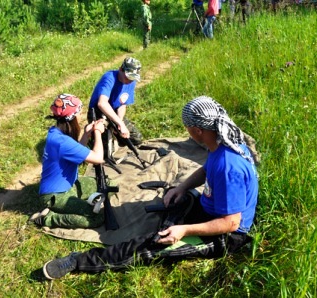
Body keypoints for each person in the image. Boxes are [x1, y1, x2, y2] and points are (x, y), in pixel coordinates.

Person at [40, 96, 258, 280]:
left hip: (225, 236)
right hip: (208, 209)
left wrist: (184, 230)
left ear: (197, 130)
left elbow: (231, 222)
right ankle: (170, 224)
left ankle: (79, 261)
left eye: (187, 128)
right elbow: (205, 170)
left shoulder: (228, 166)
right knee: (172, 202)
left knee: (147, 247)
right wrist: (181, 188)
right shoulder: (221, 143)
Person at [29, 94, 107, 229]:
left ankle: (75, 206)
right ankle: (48, 218)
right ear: (72, 119)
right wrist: (98, 133)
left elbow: (75, 153)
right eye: (79, 114)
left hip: (69, 184)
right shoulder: (62, 142)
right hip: (56, 195)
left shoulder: (56, 132)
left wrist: (86, 135)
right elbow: (98, 158)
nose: (81, 117)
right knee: (97, 217)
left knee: (107, 184)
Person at [87, 57, 143, 162]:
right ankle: (93, 138)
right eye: (127, 77)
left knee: (136, 138)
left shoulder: (131, 82)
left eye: (132, 78)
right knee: (105, 154)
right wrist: (120, 125)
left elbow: (123, 104)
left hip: (115, 113)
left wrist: (119, 122)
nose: (129, 81)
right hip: (99, 113)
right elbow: (102, 103)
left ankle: (114, 136)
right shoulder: (109, 78)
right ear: (121, 69)